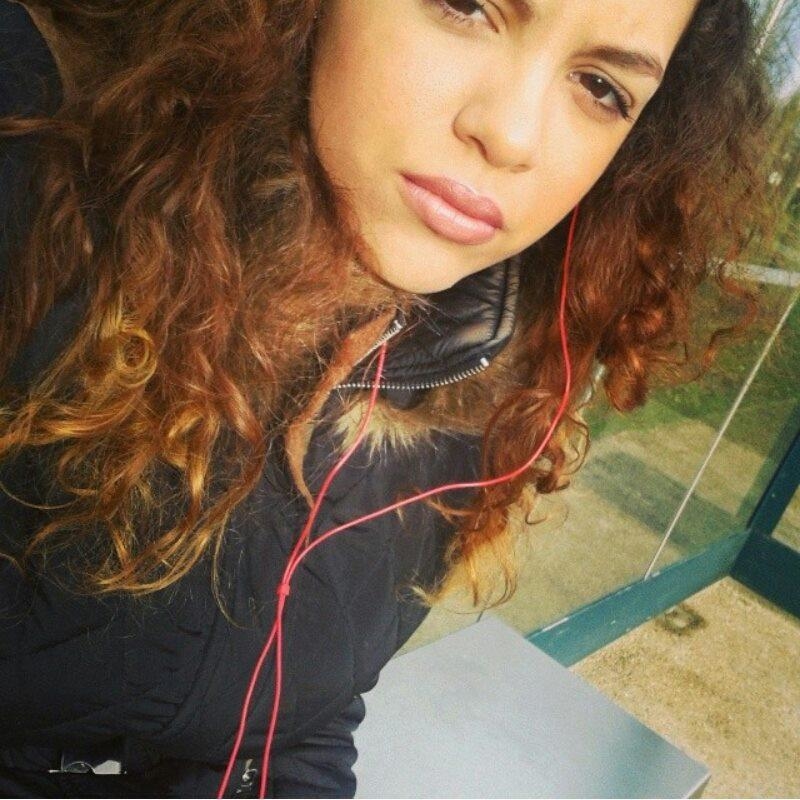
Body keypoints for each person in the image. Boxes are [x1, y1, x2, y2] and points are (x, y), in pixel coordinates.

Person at [0, 0, 771, 796]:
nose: (511, 135)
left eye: (601, 87)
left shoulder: (481, 382)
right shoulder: (39, 175)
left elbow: (296, 709)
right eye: (466, 5)